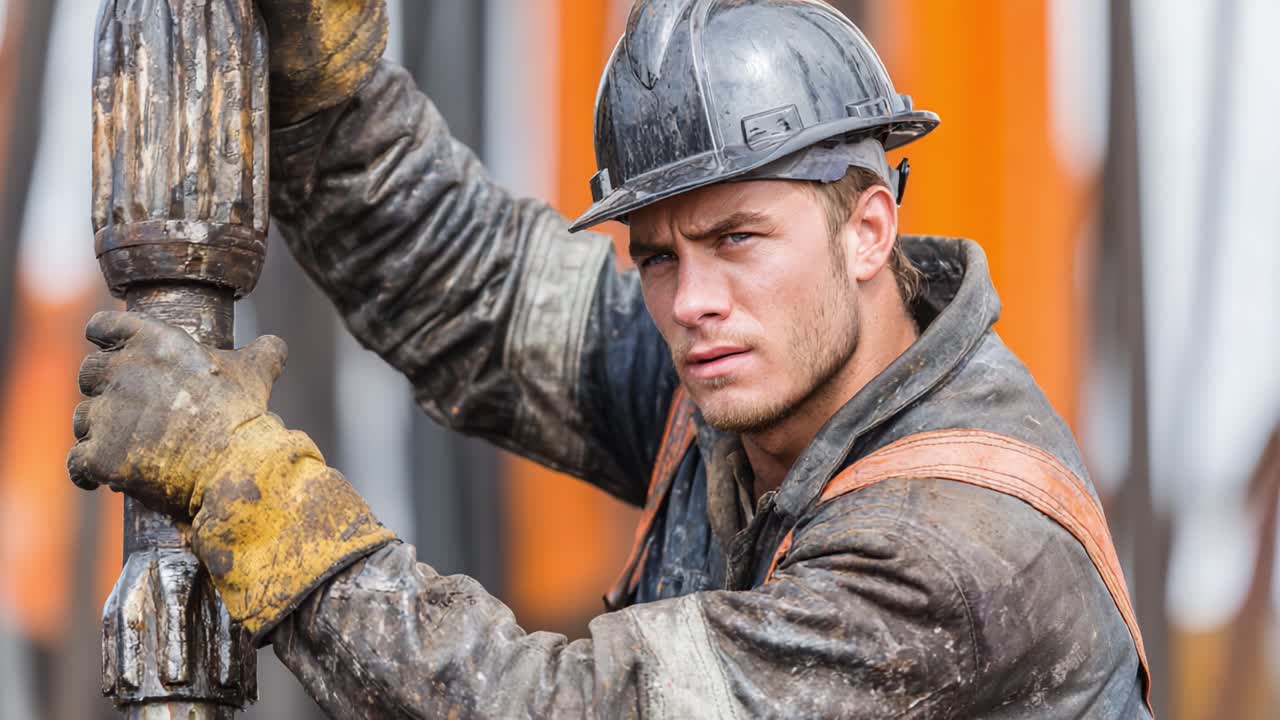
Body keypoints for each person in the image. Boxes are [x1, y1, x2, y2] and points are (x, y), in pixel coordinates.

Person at [68, 0, 1153, 717]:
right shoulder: (755, 382)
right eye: (657, 256)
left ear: (868, 228)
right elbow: (483, 293)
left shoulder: (951, 554)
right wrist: (324, 104)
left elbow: (562, 710)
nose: (692, 301)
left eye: (738, 238)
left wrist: (254, 499)